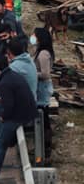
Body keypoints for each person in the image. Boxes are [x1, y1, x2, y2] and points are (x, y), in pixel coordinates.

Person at [0, 46, 37, 184]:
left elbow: (8, 108)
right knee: (0, 140)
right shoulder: (12, 75)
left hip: (19, 115)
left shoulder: (5, 82)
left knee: (0, 142)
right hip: (26, 109)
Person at [32, 26, 54, 158]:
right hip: (40, 87)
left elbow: (45, 74)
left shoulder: (43, 54)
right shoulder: (40, 51)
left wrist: (32, 72)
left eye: (34, 35)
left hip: (42, 88)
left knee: (43, 118)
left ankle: (45, 147)